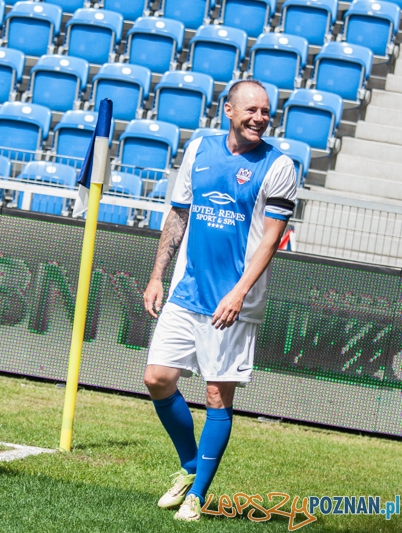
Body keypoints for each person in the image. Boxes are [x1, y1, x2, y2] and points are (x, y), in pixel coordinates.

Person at [141, 80, 297, 521]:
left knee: (215, 394)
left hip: (233, 303)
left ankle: (198, 495)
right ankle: (192, 467)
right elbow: (178, 213)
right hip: (185, 292)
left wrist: (239, 292)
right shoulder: (198, 150)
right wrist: (156, 275)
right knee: (157, 378)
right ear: (228, 110)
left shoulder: (280, 165)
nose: (259, 118)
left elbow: (271, 239)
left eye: (266, 112)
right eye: (251, 109)